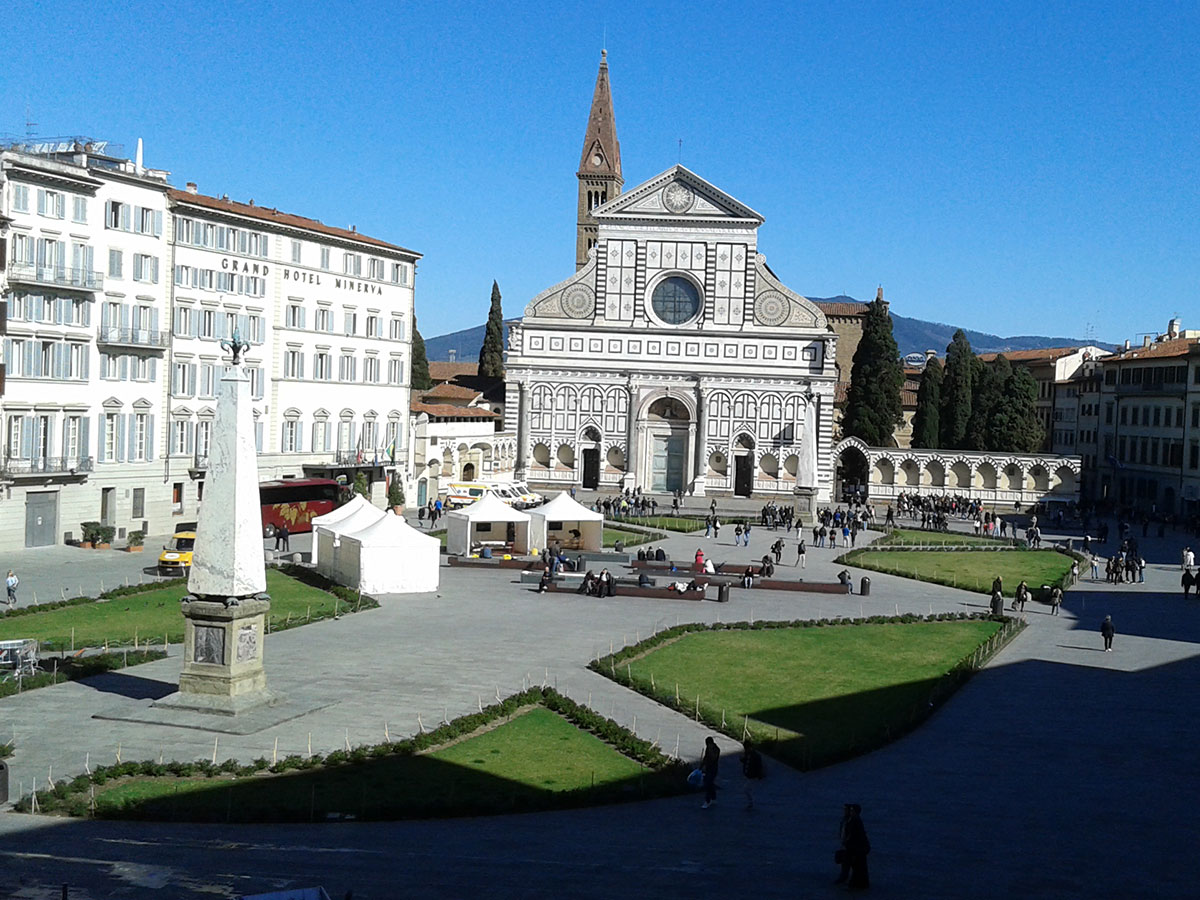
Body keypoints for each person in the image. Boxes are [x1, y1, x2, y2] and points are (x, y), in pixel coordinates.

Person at [835, 803, 871, 888]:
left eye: (851, 810)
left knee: (855, 865)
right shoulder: (851, 820)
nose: (849, 812)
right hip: (853, 847)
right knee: (852, 864)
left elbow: (855, 835)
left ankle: (853, 882)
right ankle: (849, 880)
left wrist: (848, 842)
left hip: (855, 848)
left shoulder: (855, 821)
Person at [741, 739, 764, 810]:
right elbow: (746, 761)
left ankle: (751, 802)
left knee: (746, 789)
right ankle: (751, 802)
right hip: (749, 775)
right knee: (748, 789)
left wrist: (759, 775)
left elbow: (759, 766)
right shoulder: (748, 753)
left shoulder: (755, 755)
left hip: (753, 776)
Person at [701, 736, 721, 809]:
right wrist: (701, 766)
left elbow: (714, 758)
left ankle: (707, 800)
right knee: (710, 783)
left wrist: (710, 751)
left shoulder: (716, 749)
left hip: (713, 769)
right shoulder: (708, 749)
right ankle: (713, 797)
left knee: (708, 784)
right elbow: (705, 758)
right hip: (708, 768)